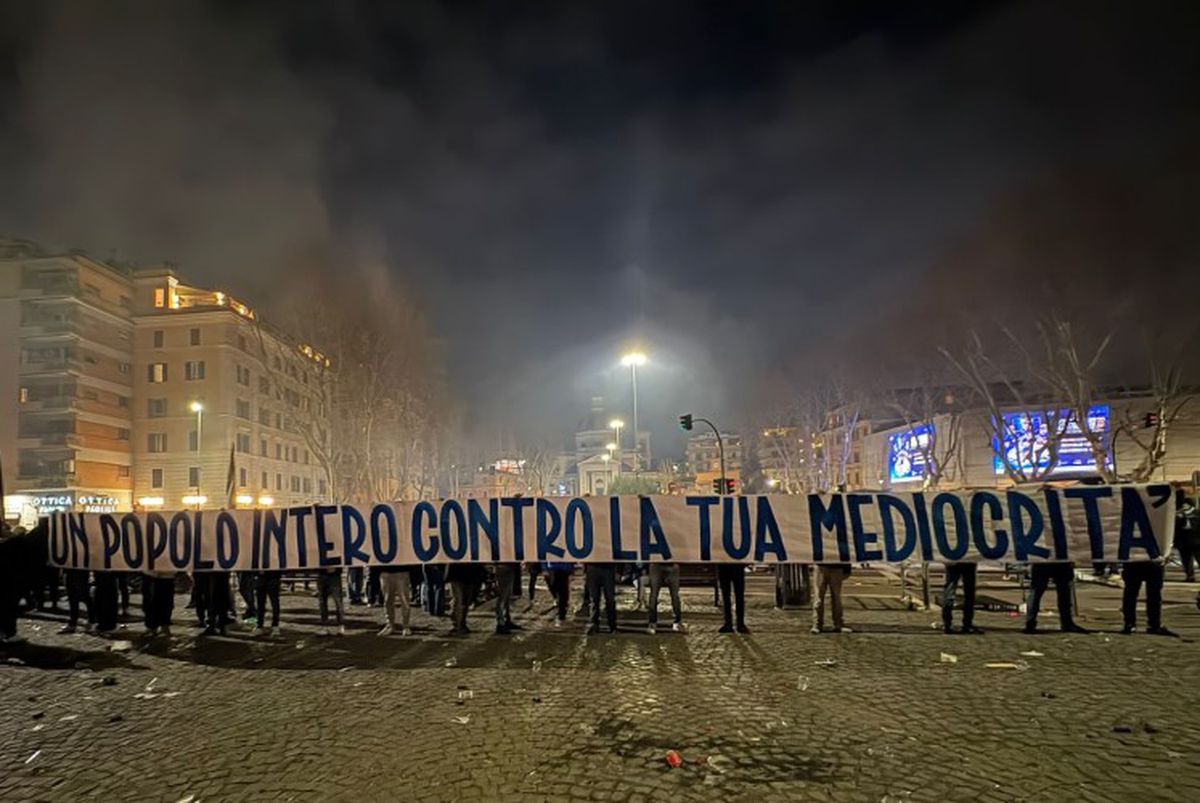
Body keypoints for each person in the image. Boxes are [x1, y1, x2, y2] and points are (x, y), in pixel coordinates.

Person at [1024, 562, 1089, 634]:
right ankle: (1067, 623)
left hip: (1042, 560)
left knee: (1036, 592)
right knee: (1064, 592)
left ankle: (1030, 623)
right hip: (1061, 560)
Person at [1121, 557, 1175, 636]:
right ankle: (1154, 625)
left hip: (1133, 560)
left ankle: (1129, 624)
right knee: (1154, 595)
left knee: (1131, 593)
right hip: (1153, 561)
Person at [941, 562, 982, 634]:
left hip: (953, 560)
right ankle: (967, 624)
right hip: (968, 561)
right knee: (969, 592)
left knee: (950, 591)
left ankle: (947, 624)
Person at [811, 563, 851, 634]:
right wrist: (847, 569)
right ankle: (819, 624)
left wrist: (847, 569)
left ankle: (819, 624)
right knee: (821, 597)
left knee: (833, 597)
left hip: (828, 566)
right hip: (826, 566)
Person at [447, 563, 484, 636]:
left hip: (467, 574)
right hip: (458, 574)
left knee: (464, 601)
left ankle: (460, 623)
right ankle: (459, 624)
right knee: (460, 600)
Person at [647, 562, 684, 634]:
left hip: (663, 564)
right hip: (661, 564)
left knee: (673, 595)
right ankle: (652, 622)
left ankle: (652, 623)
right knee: (655, 594)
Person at [379, 564, 414, 636]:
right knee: (387, 600)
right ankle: (390, 625)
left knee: (404, 600)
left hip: (402, 570)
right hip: (385, 570)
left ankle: (406, 626)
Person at [142, 569, 176, 637]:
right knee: (151, 603)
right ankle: (152, 627)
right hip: (152, 576)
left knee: (166, 603)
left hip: (167, 576)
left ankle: (164, 626)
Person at [585, 562, 617, 634]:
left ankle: (612, 625)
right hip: (593, 567)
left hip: (607, 567)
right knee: (594, 598)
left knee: (609, 598)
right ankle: (594, 623)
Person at [1174, 489, 1198, 582]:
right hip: (1186, 540)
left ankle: (1190, 575)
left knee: (1192, 559)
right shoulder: (1178, 514)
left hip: (1192, 540)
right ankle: (1190, 576)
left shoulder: (1195, 514)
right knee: (1187, 559)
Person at [718, 563, 750, 634]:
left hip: (724, 567)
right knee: (739, 596)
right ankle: (740, 624)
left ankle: (728, 623)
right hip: (737, 566)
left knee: (726, 596)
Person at [61, 568, 93, 634]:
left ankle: (91, 620)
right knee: (73, 596)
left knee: (84, 595)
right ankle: (73, 622)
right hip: (73, 570)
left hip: (80, 569)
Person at [493, 562, 521, 635]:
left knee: (506, 596)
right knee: (503, 597)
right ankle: (501, 623)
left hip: (508, 566)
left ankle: (505, 620)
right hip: (504, 567)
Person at [544, 561, 574, 627]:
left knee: (562, 593)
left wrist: (571, 570)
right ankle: (561, 611)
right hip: (552, 568)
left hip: (563, 569)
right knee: (556, 590)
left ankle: (561, 614)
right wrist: (544, 567)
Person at [316, 567, 346, 636]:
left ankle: (340, 625)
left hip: (334, 575)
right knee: (322, 602)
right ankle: (325, 626)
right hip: (322, 574)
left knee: (338, 602)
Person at [203, 571, 233, 636]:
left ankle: (219, 625)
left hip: (219, 574)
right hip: (216, 574)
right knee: (214, 599)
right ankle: (217, 625)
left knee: (218, 598)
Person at [254, 570, 282, 635]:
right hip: (262, 577)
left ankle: (274, 625)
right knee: (261, 603)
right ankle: (260, 625)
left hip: (273, 576)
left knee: (274, 602)